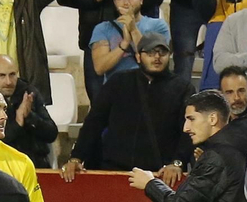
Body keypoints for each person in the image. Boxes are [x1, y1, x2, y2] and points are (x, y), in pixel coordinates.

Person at [62, 34, 191, 177]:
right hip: (114, 169)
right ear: (137, 57)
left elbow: (188, 131)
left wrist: (178, 162)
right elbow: (94, 122)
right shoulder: (119, 81)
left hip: (159, 173)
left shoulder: (182, 88)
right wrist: (76, 157)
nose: (157, 57)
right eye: (150, 52)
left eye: (163, 52)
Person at [88, 0, 171, 88]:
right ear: (114, 2)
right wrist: (124, 44)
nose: (126, 2)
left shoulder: (158, 25)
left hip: (149, 87)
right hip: (116, 89)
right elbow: (99, 68)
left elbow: (154, 58)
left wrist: (133, 29)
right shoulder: (102, 28)